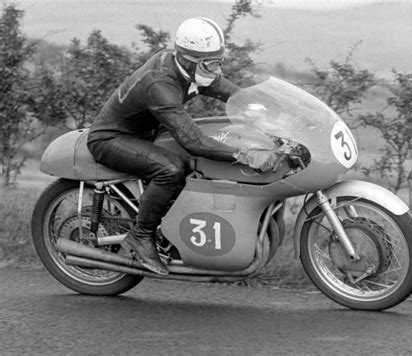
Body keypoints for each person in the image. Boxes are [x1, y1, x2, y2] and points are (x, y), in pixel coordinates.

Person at [87, 17, 278, 275]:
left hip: (146, 133)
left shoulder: (190, 69)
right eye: (211, 63)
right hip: (111, 138)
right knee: (172, 169)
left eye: (219, 61)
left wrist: (261, 108)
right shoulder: (160, 84)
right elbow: (193, 142)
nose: (216, 69)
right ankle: (140, 236)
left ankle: (176, 233)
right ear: (188, 59)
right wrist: (245, 155)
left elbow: (229, 91)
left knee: (199, 166)